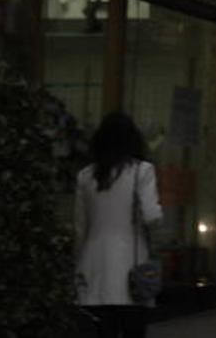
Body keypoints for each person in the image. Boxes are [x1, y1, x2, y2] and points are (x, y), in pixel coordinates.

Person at [74, 112, 163, 338]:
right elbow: (152, 215)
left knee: (102, 330)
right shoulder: (142, 171)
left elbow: (79, 227)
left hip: (94, 265)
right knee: (133, 330)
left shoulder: (85, 176)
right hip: (132, 266)